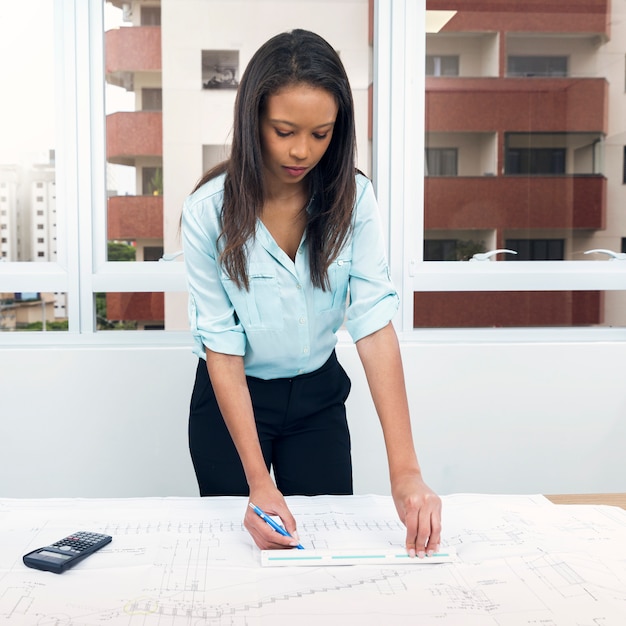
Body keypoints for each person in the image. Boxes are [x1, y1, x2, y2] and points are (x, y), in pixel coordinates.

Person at [182, 28, 441, 557]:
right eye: (283, 130)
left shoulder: (354, 200)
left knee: (324, 553)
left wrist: (406, 472)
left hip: (317, 400)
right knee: (242, 556)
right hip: (231, 399)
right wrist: (258, 480)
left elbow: (372, 325)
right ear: (253, 120)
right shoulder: (207, 211)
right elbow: (221, 345)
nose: (302, 151)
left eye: (321, 134)